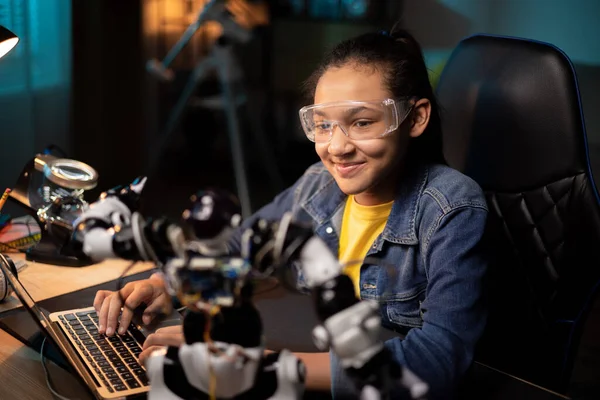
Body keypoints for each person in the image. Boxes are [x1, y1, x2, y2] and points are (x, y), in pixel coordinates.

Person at [93, 28, 488, 398]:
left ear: (415, 117)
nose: (337, 147)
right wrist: (166, 285)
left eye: (362, 122)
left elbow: (437, 360)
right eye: (323, 125)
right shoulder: (318, 183)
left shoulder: (452, 207)